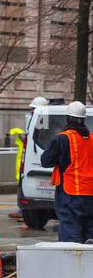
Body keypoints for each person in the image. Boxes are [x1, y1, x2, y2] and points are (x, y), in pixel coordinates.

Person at [39, 101, 93, 244]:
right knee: (89, 232)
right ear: (83, 119)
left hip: (71, 194)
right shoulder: (92, 139)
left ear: (68, 118)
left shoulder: (63, 138)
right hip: (90, 194)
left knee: (71, 232)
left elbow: (45, 161)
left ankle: (72, 262)